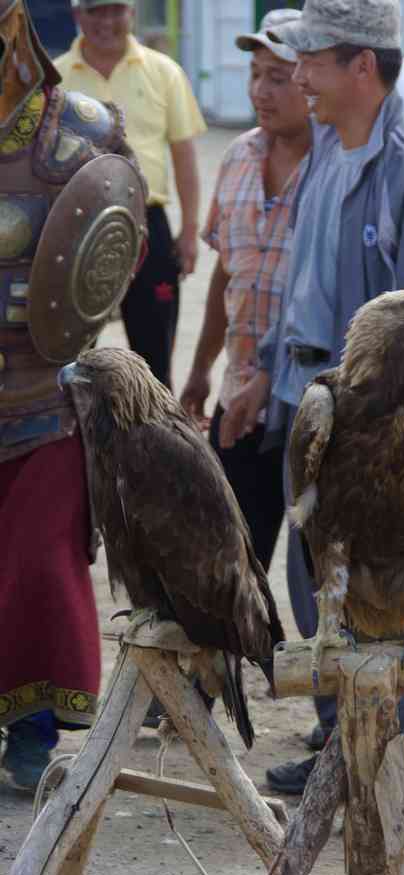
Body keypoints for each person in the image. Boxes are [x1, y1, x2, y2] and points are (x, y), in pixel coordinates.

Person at [220, 0, 404, 802]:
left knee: (398, 592)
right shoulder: (330, 151)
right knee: (318, 591)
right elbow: (305, 287)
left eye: (314, 63)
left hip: (384, 437)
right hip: (308, 403)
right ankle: (344, 746)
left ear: (363, 68)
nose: (299, 79)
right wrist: (264, 372)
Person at [0, 0, 143, 789]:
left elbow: (119, 241)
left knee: (41, 570)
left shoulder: (83, 131)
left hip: (44, 402)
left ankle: (32, 728)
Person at [179, 10, 310, 573]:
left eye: (277, 78)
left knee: (319, 575)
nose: (261, 91)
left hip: (313, 404)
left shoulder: (339, 168)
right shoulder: (238, 156)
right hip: (239, 399)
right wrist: (202, 368)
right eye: (255, 75)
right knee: (234, 566)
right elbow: (225, 274)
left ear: (312, 80)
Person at [55, 0, 206, 388]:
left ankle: (156, 443)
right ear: (77, 15)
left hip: (147, 224)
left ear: (132, 13)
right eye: (94, 11)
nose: (106, 21)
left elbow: (185, 157)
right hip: (73, 231)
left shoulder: (164, 71)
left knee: (154, 356)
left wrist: (189, 232)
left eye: (115, 10)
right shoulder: (54, 80)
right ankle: (80, 444)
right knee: (69, 360)